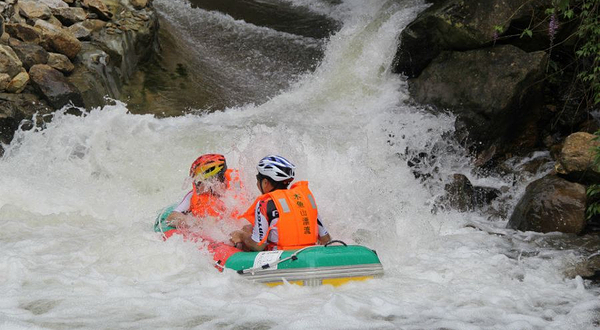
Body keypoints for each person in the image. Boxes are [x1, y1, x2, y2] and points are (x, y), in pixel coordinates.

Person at [229, 155, 331, 251]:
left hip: (281, 258)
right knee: (248, 228)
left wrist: (241, 235)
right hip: (309, 253)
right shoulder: (305, 198)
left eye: (258, 179)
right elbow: (326, 238)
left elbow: (258, 245)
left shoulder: (264, 203)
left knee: (244, 232)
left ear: (265, 182)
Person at [165, 153, 244, 229]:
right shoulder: (193, 196)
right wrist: (198, 222)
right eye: (195, 181)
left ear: (214, 181)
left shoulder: (240, 185)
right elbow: (171, 218)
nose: (195, 185)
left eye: (199, 182)